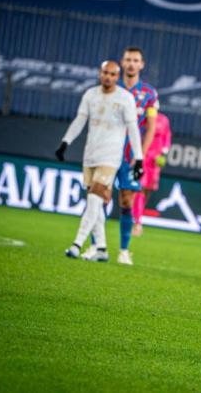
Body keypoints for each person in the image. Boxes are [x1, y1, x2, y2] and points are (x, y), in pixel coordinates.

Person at [55, 61, 144, 261]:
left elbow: (133, 129)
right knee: (93, 202)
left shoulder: (125, 98)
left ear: (117, 76)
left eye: (112, 74)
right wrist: (65, 142)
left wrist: (139, 158)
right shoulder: (90, 95)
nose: (108, 77)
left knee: (95, 199)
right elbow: (80, 120)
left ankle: (77, 244)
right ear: (100, 73)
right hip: (90, 155)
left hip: (111, 157)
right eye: (105, 73)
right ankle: (102, 248)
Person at [80, 46, 158, 265]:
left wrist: (140, 154)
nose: (131, 64)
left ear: (141, 65)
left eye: (136, 60)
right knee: (98, 199)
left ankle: (124, 251)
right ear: (122, 63)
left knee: (127, 200)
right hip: (106, 152)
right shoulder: (109, 88)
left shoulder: (150, 94)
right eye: (128, 60)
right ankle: (96, 246)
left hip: (130, 156)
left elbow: (150, 127)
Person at [132, 112, 172, 236]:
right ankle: (137, 222)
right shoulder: (143, 118)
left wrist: (164, 153)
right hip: (144, 157)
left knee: (147, 190)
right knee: (140, 189)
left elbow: (167, 136)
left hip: (155, 162)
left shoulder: (164, 119)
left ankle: (138, 215)